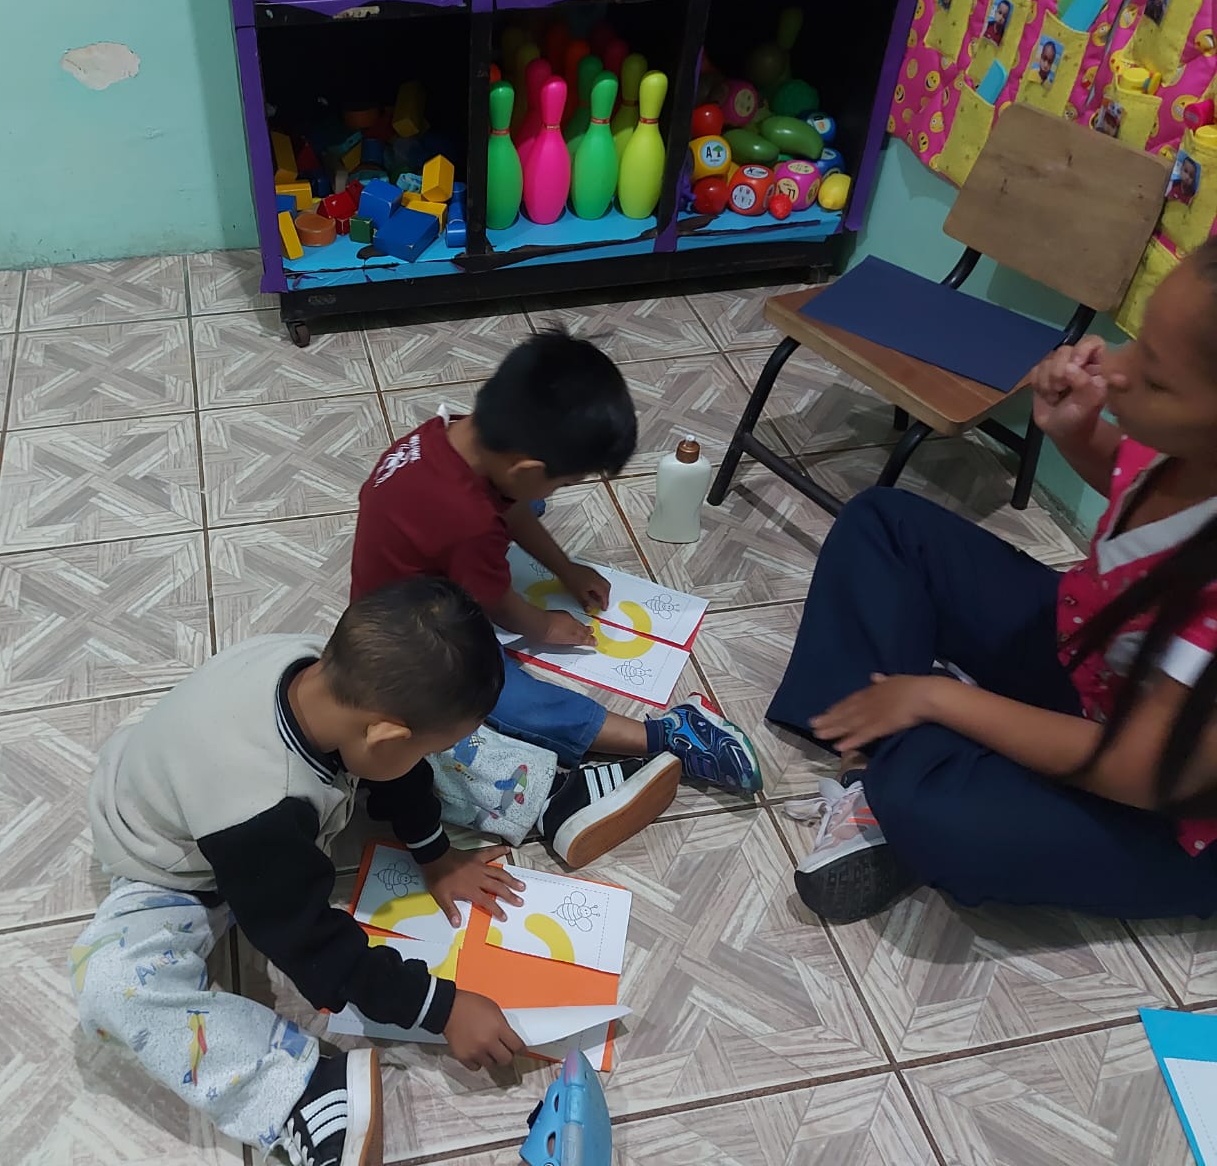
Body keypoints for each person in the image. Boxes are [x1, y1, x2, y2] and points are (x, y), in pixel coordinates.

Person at [769, 242, 1217, 923]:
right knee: (884, 525)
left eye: (1154, 378)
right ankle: (883, 752)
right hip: (1092, 671)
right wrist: (1076, 433)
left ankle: (898, 769)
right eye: (1138, 341)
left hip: (1170, 813)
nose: (1118, 369)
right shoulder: (1187, 452)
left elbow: (1139, 770)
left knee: (939, 810)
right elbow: (1142, 499)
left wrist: (939, 698)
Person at [73, 578, 533, 1166]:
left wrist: (434, 855)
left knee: (434, 742)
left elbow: (400, 768)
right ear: (383, 736)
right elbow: (307, 942)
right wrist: (440, 1008)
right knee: (110, 987)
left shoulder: (324, 667)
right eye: (416, 750)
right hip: (173, 862)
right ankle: (301, 1090)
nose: (420, 761)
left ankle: (544, 797)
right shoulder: (258, 812)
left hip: (215, 788)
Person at [352, 331, 762, 812]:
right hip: (409, 635)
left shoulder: (452, 433)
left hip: (430, 550)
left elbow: (510, 506)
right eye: (565, 482)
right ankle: (667, 735)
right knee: (495, 698)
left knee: (517, 506)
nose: (561, 489)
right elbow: (498, 602)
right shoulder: (468, 524)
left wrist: (566, 569)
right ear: (526, 468)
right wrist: (544, 626)